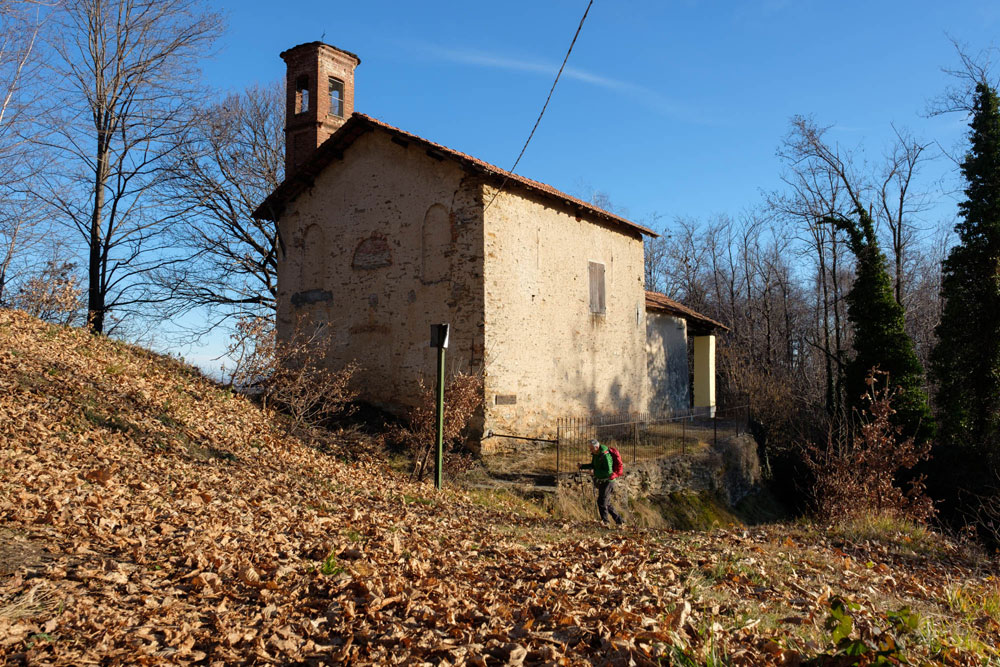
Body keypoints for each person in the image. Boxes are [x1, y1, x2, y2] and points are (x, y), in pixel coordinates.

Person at [578, 438, 625, 527]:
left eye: (591, 448)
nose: (590, 450)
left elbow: (608, 472)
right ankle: (619, 521)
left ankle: (606, 522)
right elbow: (593, 465)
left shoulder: (605, 455)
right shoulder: (596, 454)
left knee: (602, 501)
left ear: (596, 447)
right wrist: (582, 466)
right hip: (603, 481)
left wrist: (595, 473)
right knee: (605, 502)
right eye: (590, 448)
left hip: (608, 481)